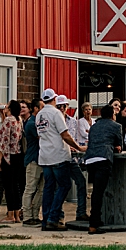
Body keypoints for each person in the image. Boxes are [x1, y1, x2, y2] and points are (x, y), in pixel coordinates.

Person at [36, 89, 83, 231]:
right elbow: (65, 135)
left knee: (48, 188)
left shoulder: (39, 115)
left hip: (44, 156)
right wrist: (79, 148)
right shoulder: (56, 113)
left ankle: (46, 219)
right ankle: (53, 217)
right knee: (64, 185)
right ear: (54, 99)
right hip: (57, 155)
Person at [82, 100, 126, 233]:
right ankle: (93, 224)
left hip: (90, 159)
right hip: (103, 159)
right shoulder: (116, 126)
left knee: (96, 190)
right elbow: (119, 146)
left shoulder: (94, 126)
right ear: (112, 114)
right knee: (98, 193)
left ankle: (97, 219)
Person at [0, 100, 26, 222]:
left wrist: (0, 158)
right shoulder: (19, 120)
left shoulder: (8, 120)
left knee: (8, 186)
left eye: (7, 106)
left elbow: (5, 141)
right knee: (16, 185)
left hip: (9, 156)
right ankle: (17, 214)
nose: (5, 108)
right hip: (18, 155)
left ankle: (10, 214)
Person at [65, 99, 92, 223]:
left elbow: (75, 136)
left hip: (71, 156)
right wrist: (77, 146)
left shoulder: (72, 121)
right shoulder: (53, 120)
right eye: (59, 106)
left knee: (81, 182)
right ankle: (53, 215)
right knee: (60, 186)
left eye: (64, 106)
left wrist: (75, 147)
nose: (62, 108)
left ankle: (81, 212)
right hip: (57, 157)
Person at [20, 99, 43, 226]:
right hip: (33, 159)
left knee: (41, 189)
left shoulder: (35, 122)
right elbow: (42, 137)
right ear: (35, 108)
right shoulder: (31, 124)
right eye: (42, 107)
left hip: (40, 159)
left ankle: (35, 214)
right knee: (30, 188)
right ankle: (28, 216)